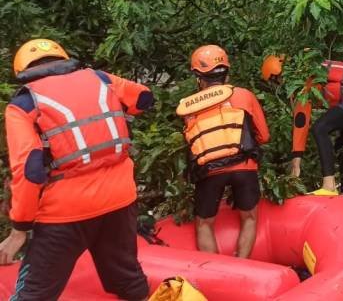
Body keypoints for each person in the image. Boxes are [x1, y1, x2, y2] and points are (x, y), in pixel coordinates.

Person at [0, 39, 154, 300]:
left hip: (65, 214)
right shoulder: (101, 79)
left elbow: (30, 171)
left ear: (23, 71)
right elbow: (144, 97)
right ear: (63, 59)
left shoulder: (24, 105)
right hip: (120, 201)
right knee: (127, 280)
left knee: (34, 294)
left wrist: (19, 230)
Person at [177, 45, 269, 258]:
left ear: (198, 78)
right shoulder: (244, 95)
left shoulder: (188, 107)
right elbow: (264, 136)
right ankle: (241, 264)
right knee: (250, 218)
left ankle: (220, 272)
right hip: (244, 167)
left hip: (209, 171)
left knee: (204, 223)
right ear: (226, 73)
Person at [261, 54, 343, 194]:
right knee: (341, 147)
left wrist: (297, 160)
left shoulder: (306, 78)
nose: (280, 83)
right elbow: (301, 121)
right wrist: (296, 160)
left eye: (277, 80)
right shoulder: (303, 81)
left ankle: (329, 186)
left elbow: (301, 121)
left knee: (320, 128)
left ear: (279, 73)